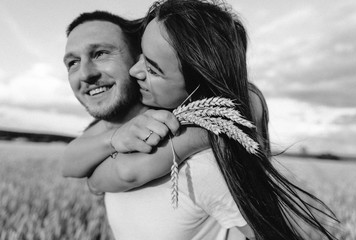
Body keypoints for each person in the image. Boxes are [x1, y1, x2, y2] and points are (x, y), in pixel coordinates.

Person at [84, 0, 338, 239]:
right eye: (141, 54)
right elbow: (88, 176)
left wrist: (201, 135)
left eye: (153, 69)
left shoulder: (206, 166)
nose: (133, 70)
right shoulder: (135, 115)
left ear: (199, 88)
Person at [62, 10, 256, 239]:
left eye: (101, 53)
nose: (85, 73)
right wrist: (114, 141)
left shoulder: (201, 163)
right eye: (73, 62)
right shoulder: (101, 136)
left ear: (140, 55)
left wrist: (207, 134)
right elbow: (68, 164)